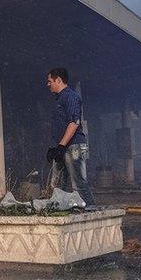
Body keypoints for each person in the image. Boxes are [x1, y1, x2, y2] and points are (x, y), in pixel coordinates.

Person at [46, 67, 94, 205]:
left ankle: (90, 212)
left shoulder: (70, 97)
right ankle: (63, 212)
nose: (48, 84)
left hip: (73, 146)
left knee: (78, 184)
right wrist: (56, 148)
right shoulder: (59, 99)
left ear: (58, 80)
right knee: (59, 185)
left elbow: (74, 122)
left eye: (50, 81)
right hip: (63, 146)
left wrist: (61, 146)